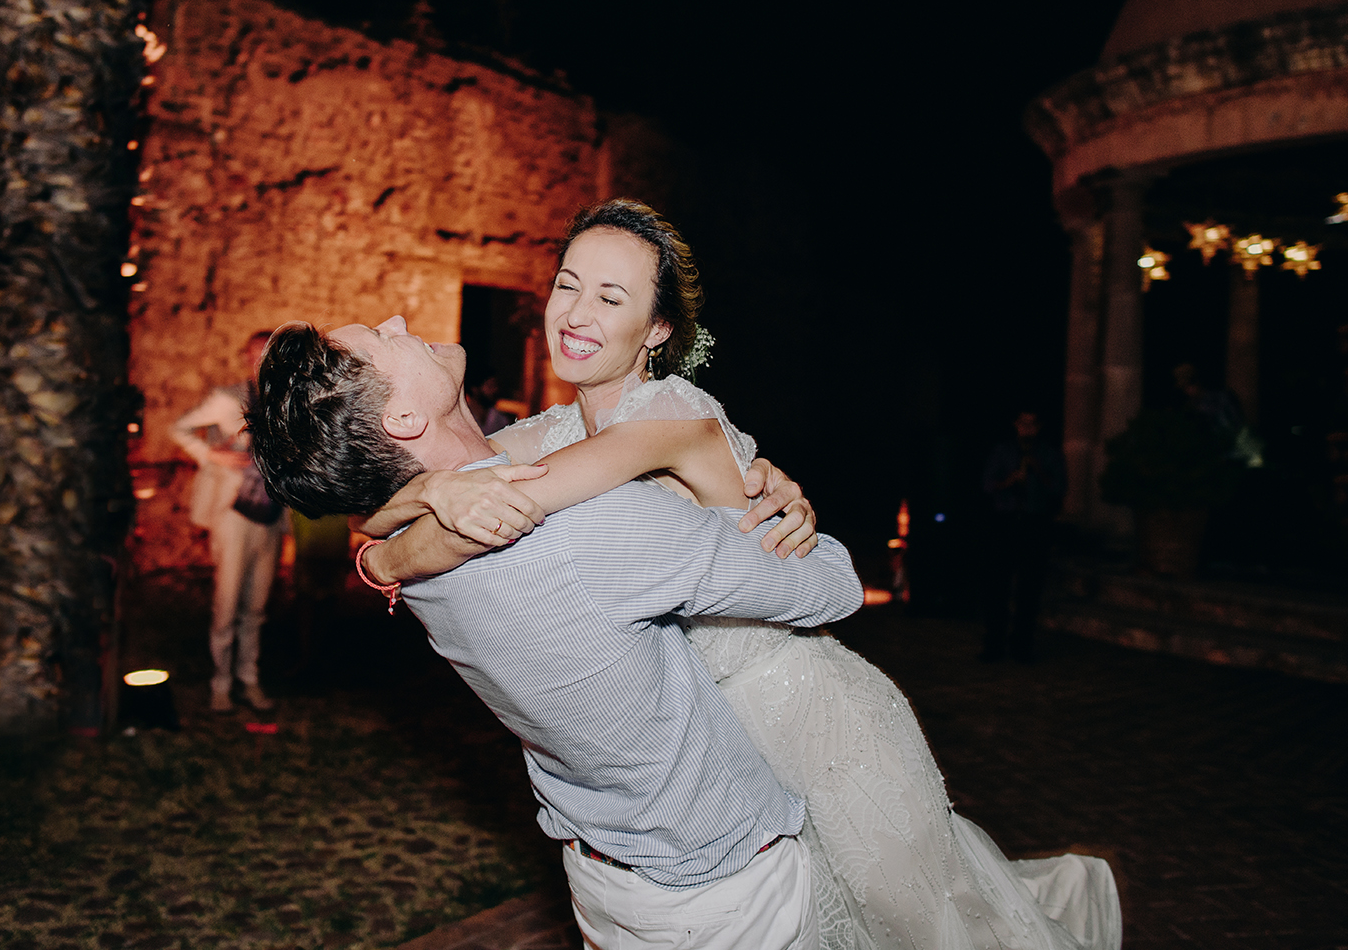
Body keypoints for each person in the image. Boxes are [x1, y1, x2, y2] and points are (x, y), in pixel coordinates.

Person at [352, 200, 1121, 950]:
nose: (576, 313)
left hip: (807, 716)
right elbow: (387, 500)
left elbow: (487, 498)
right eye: (567, 284)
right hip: (716, 749)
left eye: (610, 296)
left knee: (924, 921)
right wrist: (425, 500)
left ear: (655, 330)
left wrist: (403, 534)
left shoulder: (670, 416)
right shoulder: (548, 432)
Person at [252, 317, 858, 949]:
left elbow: (368, 527)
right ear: (403, 420)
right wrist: (757, 504)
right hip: (723, 886)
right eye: (381, 338)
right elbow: (832, 586)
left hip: (599, 872)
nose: (399, 321)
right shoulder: (588, 529)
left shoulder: (415, 547)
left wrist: (426, 495)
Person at [170, 330, 286, 713]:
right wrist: (211, 455)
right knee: (227, 601)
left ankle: (248, 679)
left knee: (256, 605)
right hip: (232, 512)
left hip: (270, 513)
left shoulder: (285, 402)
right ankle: (220, 683)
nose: (260, 363)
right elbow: (180, 427)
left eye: (267, 356)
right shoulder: (228, 398)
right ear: (245, 358)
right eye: (254, 356)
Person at [979, 411, 1067, 665]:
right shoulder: (1003, 451)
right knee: (997, 586)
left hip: (1034, 524)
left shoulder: (1049, 453)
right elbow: (986, 484)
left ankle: (1022, 646)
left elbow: (1059, 489)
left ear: (1038, 427)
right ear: (1015, 426)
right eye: (1022, 423)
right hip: (1005, 524)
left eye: (1032, 423)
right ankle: (994, 644)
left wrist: (1038, 471)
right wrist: (1009, 481)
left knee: (1030, 588)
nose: (1027, 428)